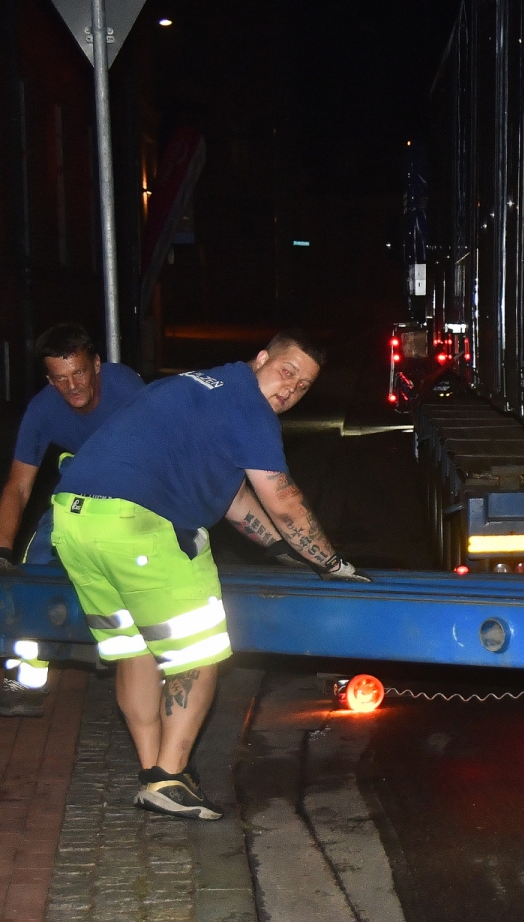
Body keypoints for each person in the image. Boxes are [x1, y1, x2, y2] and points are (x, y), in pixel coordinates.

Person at [51, 329, 367, 821]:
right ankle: (170, 776)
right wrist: (330, 562)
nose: (290, 389)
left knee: (136, 648)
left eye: (303, 386)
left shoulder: (194, 387)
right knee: (197, 653)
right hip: (136, 527)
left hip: (74, 522)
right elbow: (283, 501)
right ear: (261, 358)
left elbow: (236, 502)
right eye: (287, 372)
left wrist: (285, 551)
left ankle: (156, 775)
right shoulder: (251, 409)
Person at [0, 324, 145, 717]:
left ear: (96, 364)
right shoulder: (42, 410)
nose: (72, 386)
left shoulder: (126, 388)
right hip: (76, 497)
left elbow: (164, 453)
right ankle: (26, 682)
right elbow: (18, 486)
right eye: (60, 379)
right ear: (50, 380)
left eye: (79, 373)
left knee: (143, 573)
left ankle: (156, 675)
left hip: (132, 493)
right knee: (33, 570)